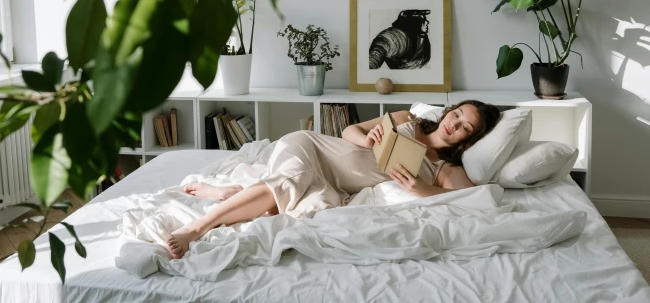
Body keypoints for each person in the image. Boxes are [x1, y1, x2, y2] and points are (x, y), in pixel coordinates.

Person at [167, 100, 501, 259]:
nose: (453, 125)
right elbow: (348, 131)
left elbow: (475, 203)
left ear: (467, 139)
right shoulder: (407, 119)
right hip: (313, 148)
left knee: (314, 211)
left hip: (333, 184)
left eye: (464, 127)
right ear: (449, 110)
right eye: (456, 114)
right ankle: (196, 228)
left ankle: (234, 194)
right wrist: (367, 139)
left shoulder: (445, 169)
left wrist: (421, 188)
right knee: (291, 180)